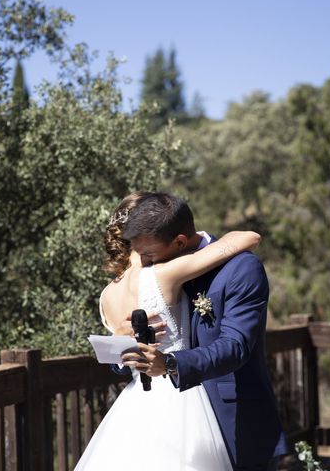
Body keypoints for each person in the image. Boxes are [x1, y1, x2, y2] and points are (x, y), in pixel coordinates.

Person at [74, 191, 262, 471]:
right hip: (180, 398)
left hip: (134, 405)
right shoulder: (165, 273)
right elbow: (248, 238)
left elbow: (119, 357)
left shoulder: (106, 296)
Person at [120, 192, 287, 471]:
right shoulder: (154, 273)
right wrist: (128, 348)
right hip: (172, 427)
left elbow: (236, 346)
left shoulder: (241, 268)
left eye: (149, 255)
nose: (145, 265)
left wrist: (170, 364)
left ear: (180, 242)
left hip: (233, 423)